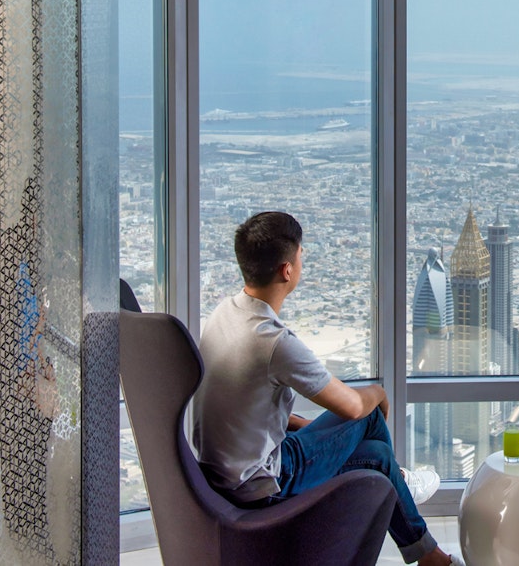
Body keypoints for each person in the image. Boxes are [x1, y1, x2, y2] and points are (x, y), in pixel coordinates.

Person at [191, 211, 462, 566]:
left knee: (376, 457)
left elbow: (248, 410)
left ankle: (429, 555)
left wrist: (315, 430)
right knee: (366, 418)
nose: (303, 260)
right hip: (264, 484)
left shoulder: (223, 315)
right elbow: (351, 407)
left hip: (226, 474)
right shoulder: (273, 342)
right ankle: (403, 484)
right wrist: (378, 393)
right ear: (287, 270)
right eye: (301, 253)